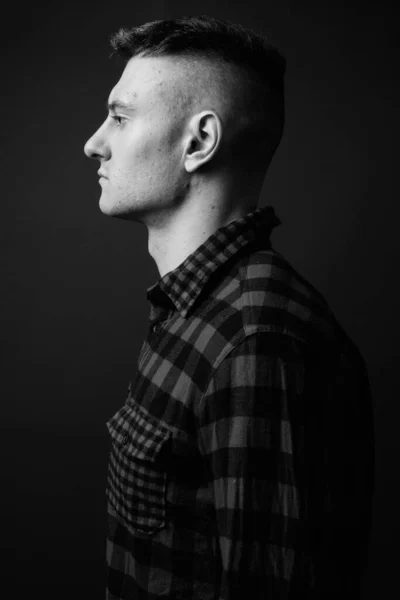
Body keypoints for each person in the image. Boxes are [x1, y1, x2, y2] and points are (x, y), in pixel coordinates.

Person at [84, 15, 375, 600]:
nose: (94, 142)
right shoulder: (192, 309)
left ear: (199, 143)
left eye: (119, 117)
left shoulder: (257, 339)